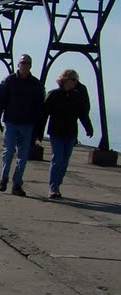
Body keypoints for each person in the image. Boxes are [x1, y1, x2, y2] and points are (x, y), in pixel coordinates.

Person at [0, 54, 45, 197]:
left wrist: (39, 128)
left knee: (23, 155)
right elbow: (1, 101)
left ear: (31, 66)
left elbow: (40, 107)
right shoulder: (9, 81)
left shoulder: (35, 84)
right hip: (11, 121)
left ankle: (17, 184)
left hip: (27, 124)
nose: (25, 65)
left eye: (28, 63)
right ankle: (3, 179)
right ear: (18, 65)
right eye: (23, 63)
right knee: (8, 152)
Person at [42, 68, 93, 199]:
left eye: (76, 80)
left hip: (70, 133)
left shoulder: (77, 96)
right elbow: (44, 114)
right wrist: (38, 131)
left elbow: (82, 114)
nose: (75, 83)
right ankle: (53, 187)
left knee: (64, 161)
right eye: (73, 80)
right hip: (56, 132)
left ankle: (57, 185)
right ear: (65, 80)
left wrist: (88, 127)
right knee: (57, 158)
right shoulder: (53, 95)